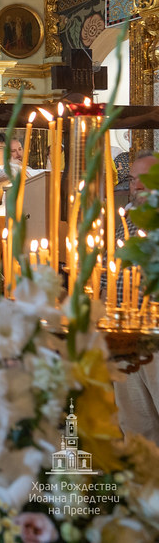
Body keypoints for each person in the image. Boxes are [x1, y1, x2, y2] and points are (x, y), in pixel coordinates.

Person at [113, 153, 159, 444]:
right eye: (133, 179)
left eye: (147, 178)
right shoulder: (125, 222)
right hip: (123, 335)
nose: (138, 185)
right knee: (135, 425)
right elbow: (110, 275)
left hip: (156, 337)